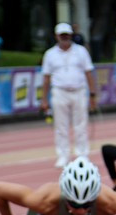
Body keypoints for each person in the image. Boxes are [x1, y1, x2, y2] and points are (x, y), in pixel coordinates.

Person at [40, 22, 98, 168]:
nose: (64, 38)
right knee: (60, 126)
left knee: (81, 124)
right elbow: (46, 78)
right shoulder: (50, 54)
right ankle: (63, 155)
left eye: (67, 35)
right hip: (59, 91)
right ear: (57, 36)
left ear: (71, 35)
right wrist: (44, 99)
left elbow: (88, 72)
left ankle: (82, 154)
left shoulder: (81, 51)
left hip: (79, 91)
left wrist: (92, 94)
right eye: (62, 35)